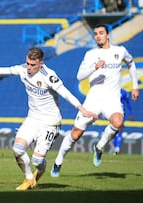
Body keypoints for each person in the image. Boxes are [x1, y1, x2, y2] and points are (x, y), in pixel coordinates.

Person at [0, 47, 96, 191]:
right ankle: (29, 178)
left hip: (50, 122)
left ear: (41, 64)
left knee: (37, 161)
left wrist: (81, 108)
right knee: (17, 150)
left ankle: (40, 171)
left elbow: (65, 93)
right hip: (32, 118)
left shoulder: (49, 76)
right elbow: (2, 71)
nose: (28, 67)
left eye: (32, 65)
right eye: (28, 63)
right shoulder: (22, 69)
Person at [50, 24, 139, 177]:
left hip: (112, 99)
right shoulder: (91, 54)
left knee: (118, 122)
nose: (98, 36)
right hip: (93, 100)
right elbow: (79, 76)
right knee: (76, 134)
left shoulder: (120, 51)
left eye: (101, 33)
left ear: (107, 35)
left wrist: (135, 86)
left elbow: (131, 64)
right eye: (95, 34)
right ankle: (58, 161)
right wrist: (95, 68)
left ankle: (100, 146)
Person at [113, 88, 134, 154]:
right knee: (113, 131)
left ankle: (117, 148)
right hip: (111, 113)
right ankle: (116, 147)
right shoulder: (111, 90)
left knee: (119, 129)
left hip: (121, 113)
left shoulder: (123, 92)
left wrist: (131, 113)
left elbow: (128, 103)